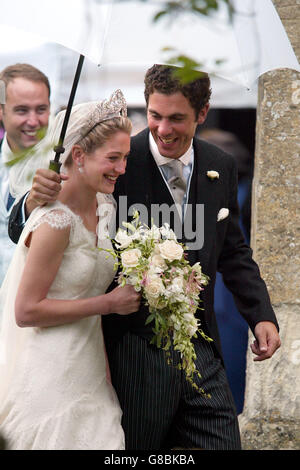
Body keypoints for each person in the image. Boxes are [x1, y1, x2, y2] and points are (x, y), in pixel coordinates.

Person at [8, 65, 281, 450]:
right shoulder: (119, 161)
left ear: (203, 113)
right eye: (155, 116)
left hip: (202, 351)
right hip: (133, 356)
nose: (164, 129)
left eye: (177, 118)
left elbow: (234, 252)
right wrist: (33, 200)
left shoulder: (220, 163)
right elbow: (38, 228)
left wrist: (261, 315)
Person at [0, 90, 140, 450]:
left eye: (125, 157)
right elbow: (26, 311)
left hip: (92, 375)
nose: (122, 168)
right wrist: (107, 304)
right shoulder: (55, 221)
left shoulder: (106, 210)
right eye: (113, 158)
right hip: (49, 379)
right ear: (78, 155)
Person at [0, 63, 51, 289]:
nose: (33, 121)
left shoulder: (65, 165)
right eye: (22, 110)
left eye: (41, 109)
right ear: (1, 111)